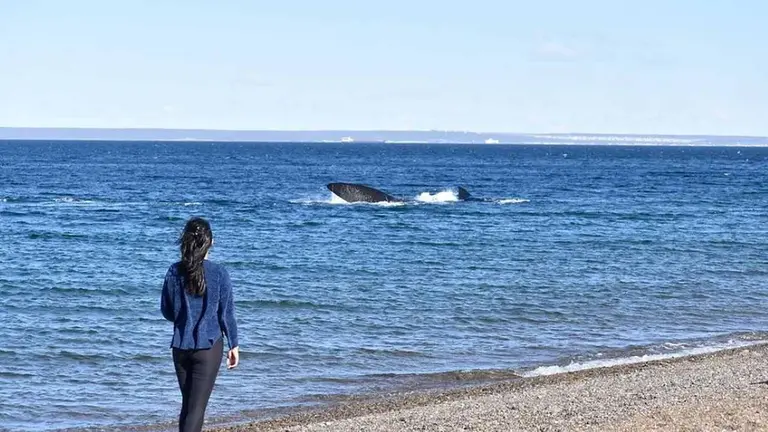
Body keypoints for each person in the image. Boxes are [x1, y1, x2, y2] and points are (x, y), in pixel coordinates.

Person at [161, 217, 239, 432]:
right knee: (195, 410)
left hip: (180, 346)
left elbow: (167, 311)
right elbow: (226, 314)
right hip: (208, 347)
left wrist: (185, 317)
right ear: (210, 242)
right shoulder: (219, 273)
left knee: (188, 407)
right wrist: (234, 345)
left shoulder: (174, 271)